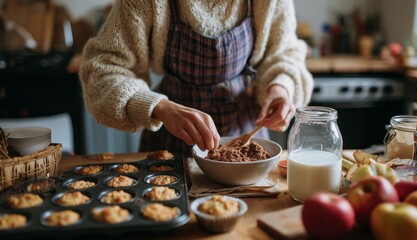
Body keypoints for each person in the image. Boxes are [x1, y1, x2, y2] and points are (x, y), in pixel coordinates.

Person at [79, 0, 314, 155]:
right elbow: (103, 70)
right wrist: (159, 107)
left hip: (247, 145)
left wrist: (281, 87)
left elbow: (285, 54)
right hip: (171, 147)